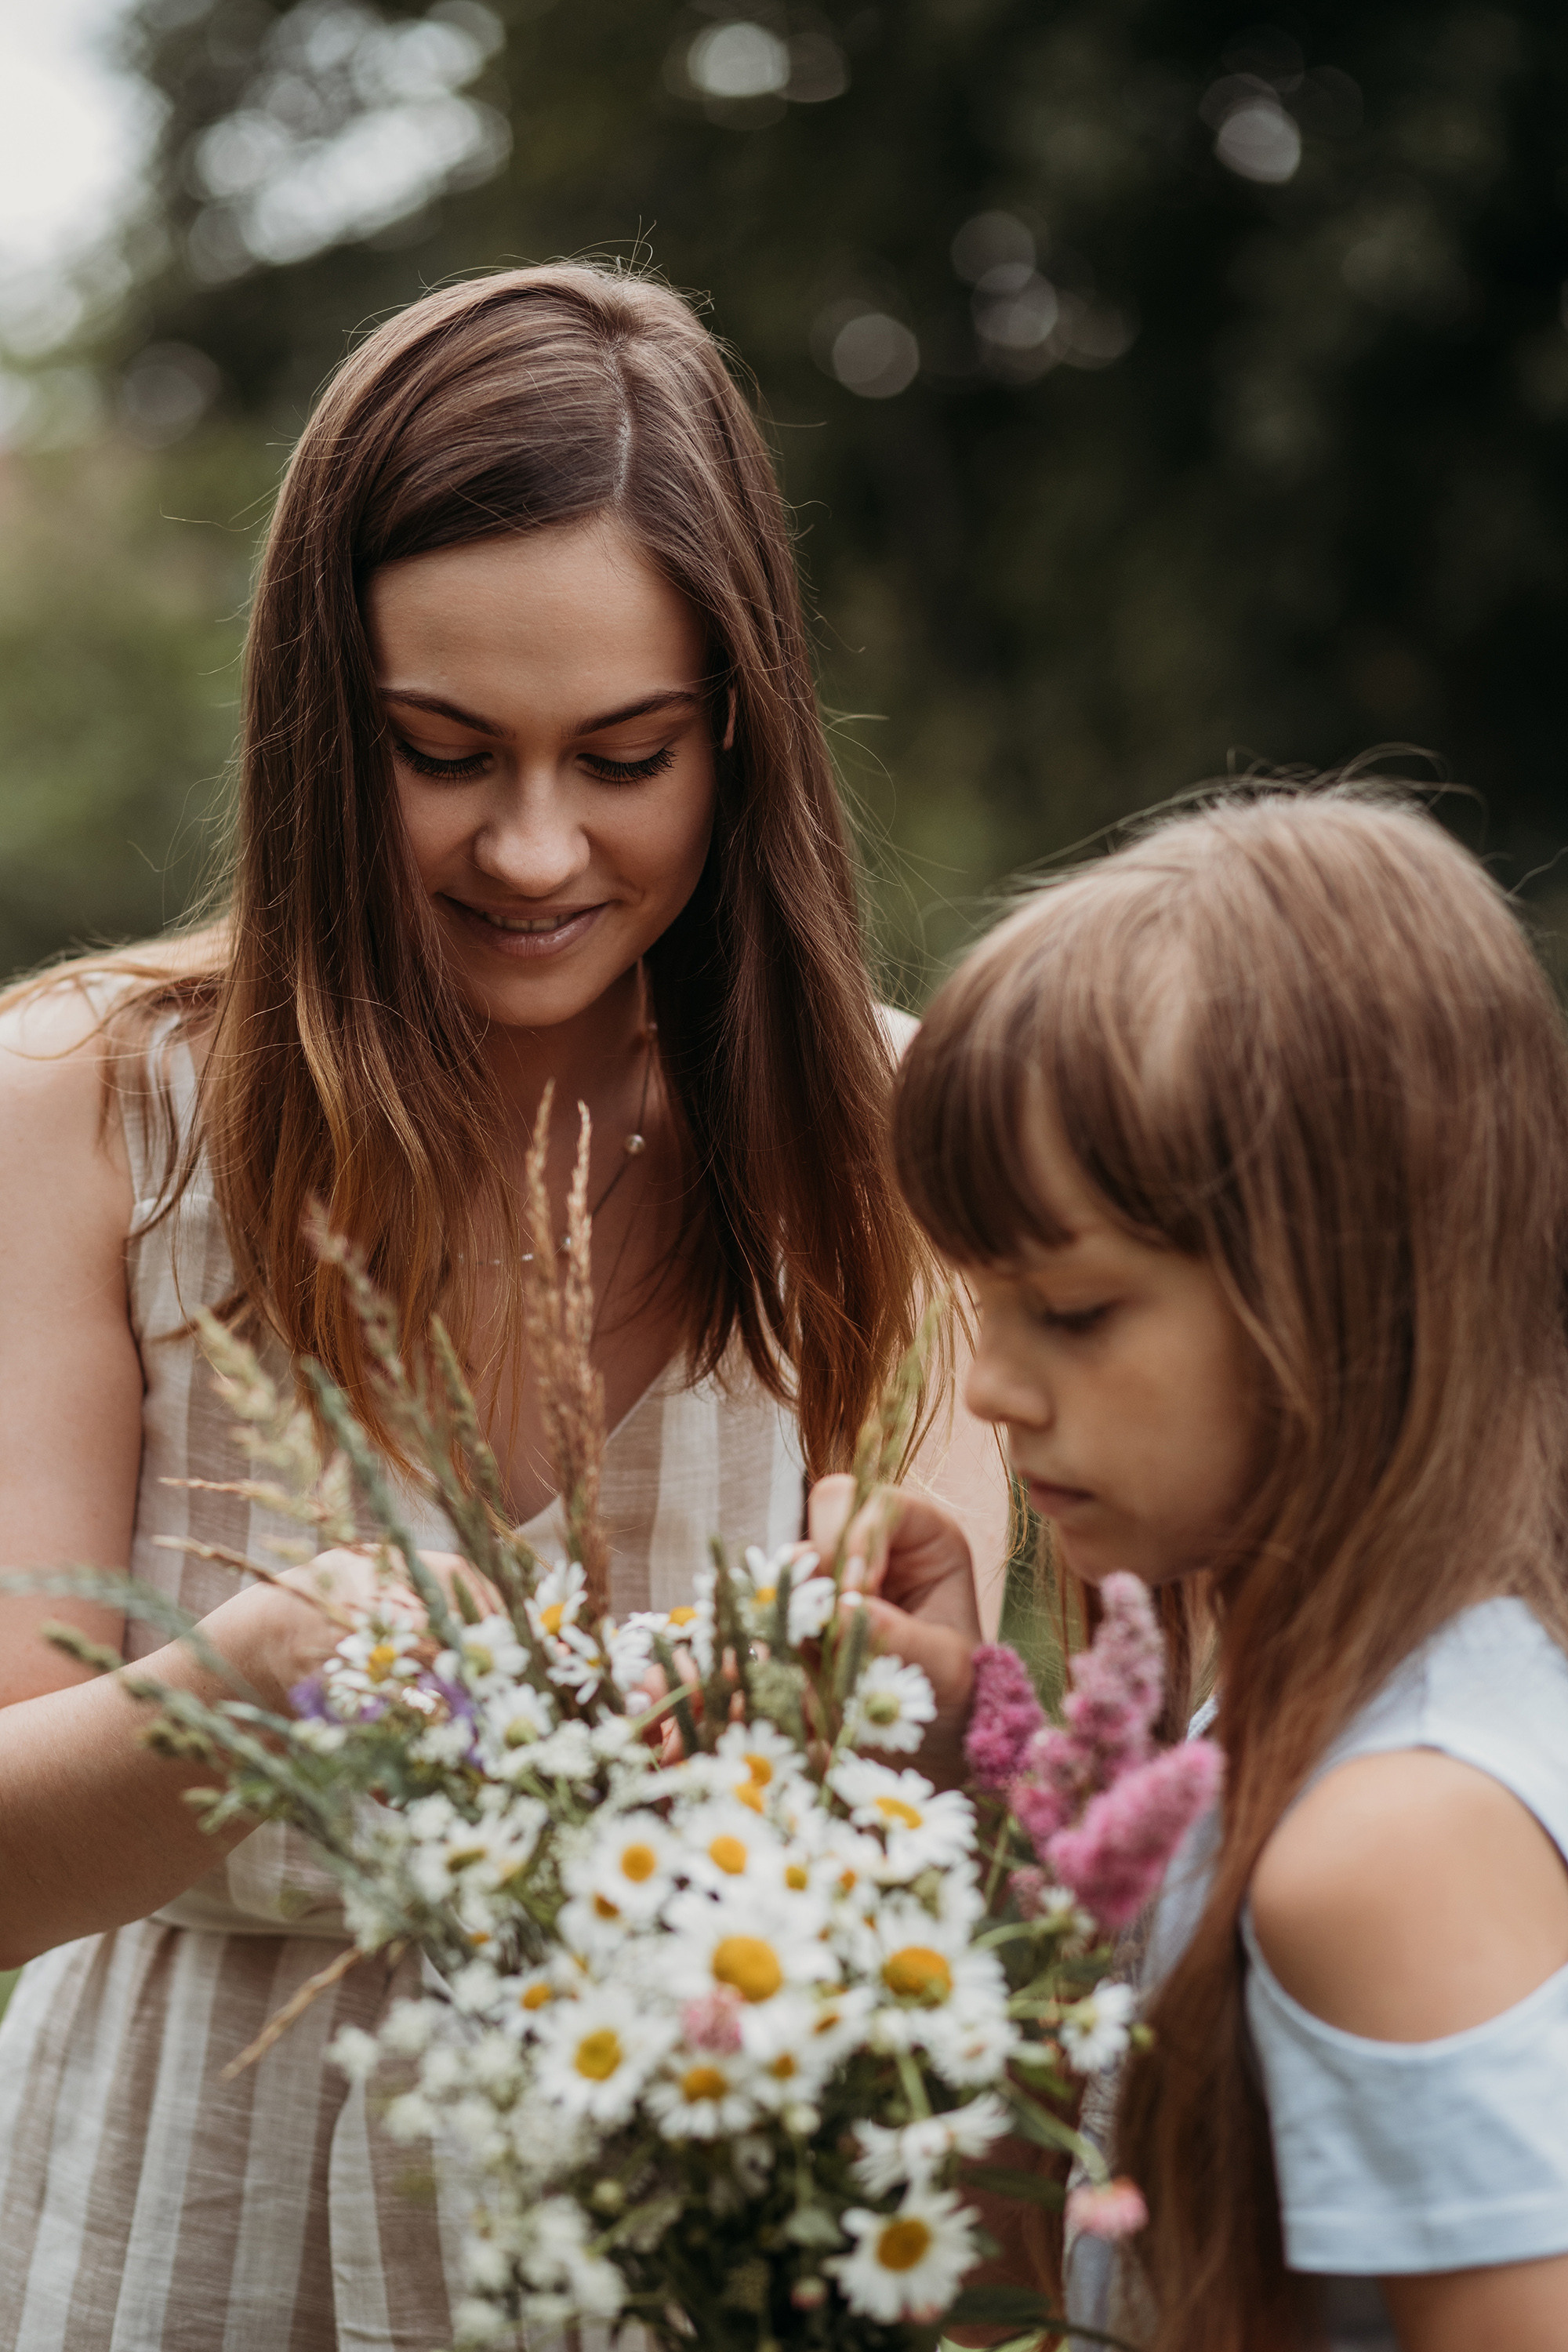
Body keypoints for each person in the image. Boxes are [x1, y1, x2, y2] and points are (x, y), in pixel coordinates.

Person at [0, 264, 1007, 2351]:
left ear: (738, 732)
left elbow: (951, 1808)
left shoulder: (903, 1139)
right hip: (177, 2224)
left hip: (695, 2222)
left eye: (624, 756)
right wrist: (247, 1694)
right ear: (313, 727)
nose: (535, 850)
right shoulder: (79, 1111)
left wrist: (920, 1704)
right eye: (440, 753)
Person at [882, 786, 1568, 2352]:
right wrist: (966, 1811)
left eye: (1072, 1311)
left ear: (1339, 1293)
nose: (988, 1390)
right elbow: (1060, 2281)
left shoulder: (1388, 1846)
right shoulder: (1292, 1727)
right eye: (982, 1303)